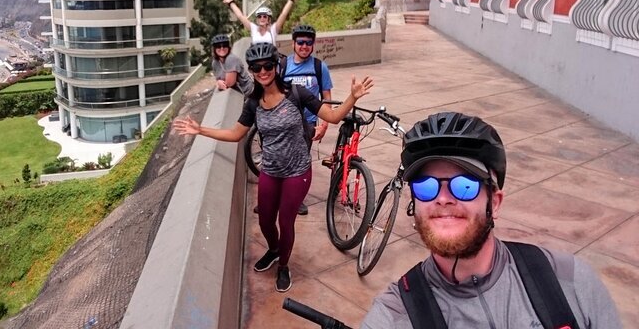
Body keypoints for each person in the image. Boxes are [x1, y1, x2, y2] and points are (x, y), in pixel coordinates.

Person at [362, 112, 621, 329]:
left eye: (464, 186)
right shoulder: (394, 316)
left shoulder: (569, 282)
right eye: (426, 186)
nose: (442, 199)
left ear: (494, 203)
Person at [174, 42, 373, 293]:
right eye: (257, 68)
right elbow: (236, 134)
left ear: (276, 66)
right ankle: (275, 249)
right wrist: (200, 129)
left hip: (297, 171)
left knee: (285, 221)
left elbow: (332, 117)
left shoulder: (297, 94)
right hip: (270, 170)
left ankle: (284, 266)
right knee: (267, 221)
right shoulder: (253, 103)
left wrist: (352, 97)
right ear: (253, 71)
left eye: (268, 65)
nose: (263, 71)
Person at [281, 24, 333, 215]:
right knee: (281, 159)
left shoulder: (320, 67)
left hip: (308, 123)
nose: (304, 46)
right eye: (300, 42)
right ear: (293, 43)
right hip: (284, 121)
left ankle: (297, 199)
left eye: (308, 42)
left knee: (301, 162)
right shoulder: (283, 66)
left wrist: (324, 125)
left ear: (313, 44)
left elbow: (327, 97)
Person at [223, 0, 302, 44]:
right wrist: (231, 3)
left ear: (269, 19)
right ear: (257, 19)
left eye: (265, 16)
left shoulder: (273, 30)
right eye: (260, 16)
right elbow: (241, 16)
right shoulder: (254, 29)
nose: (262, 18)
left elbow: (283, 14)